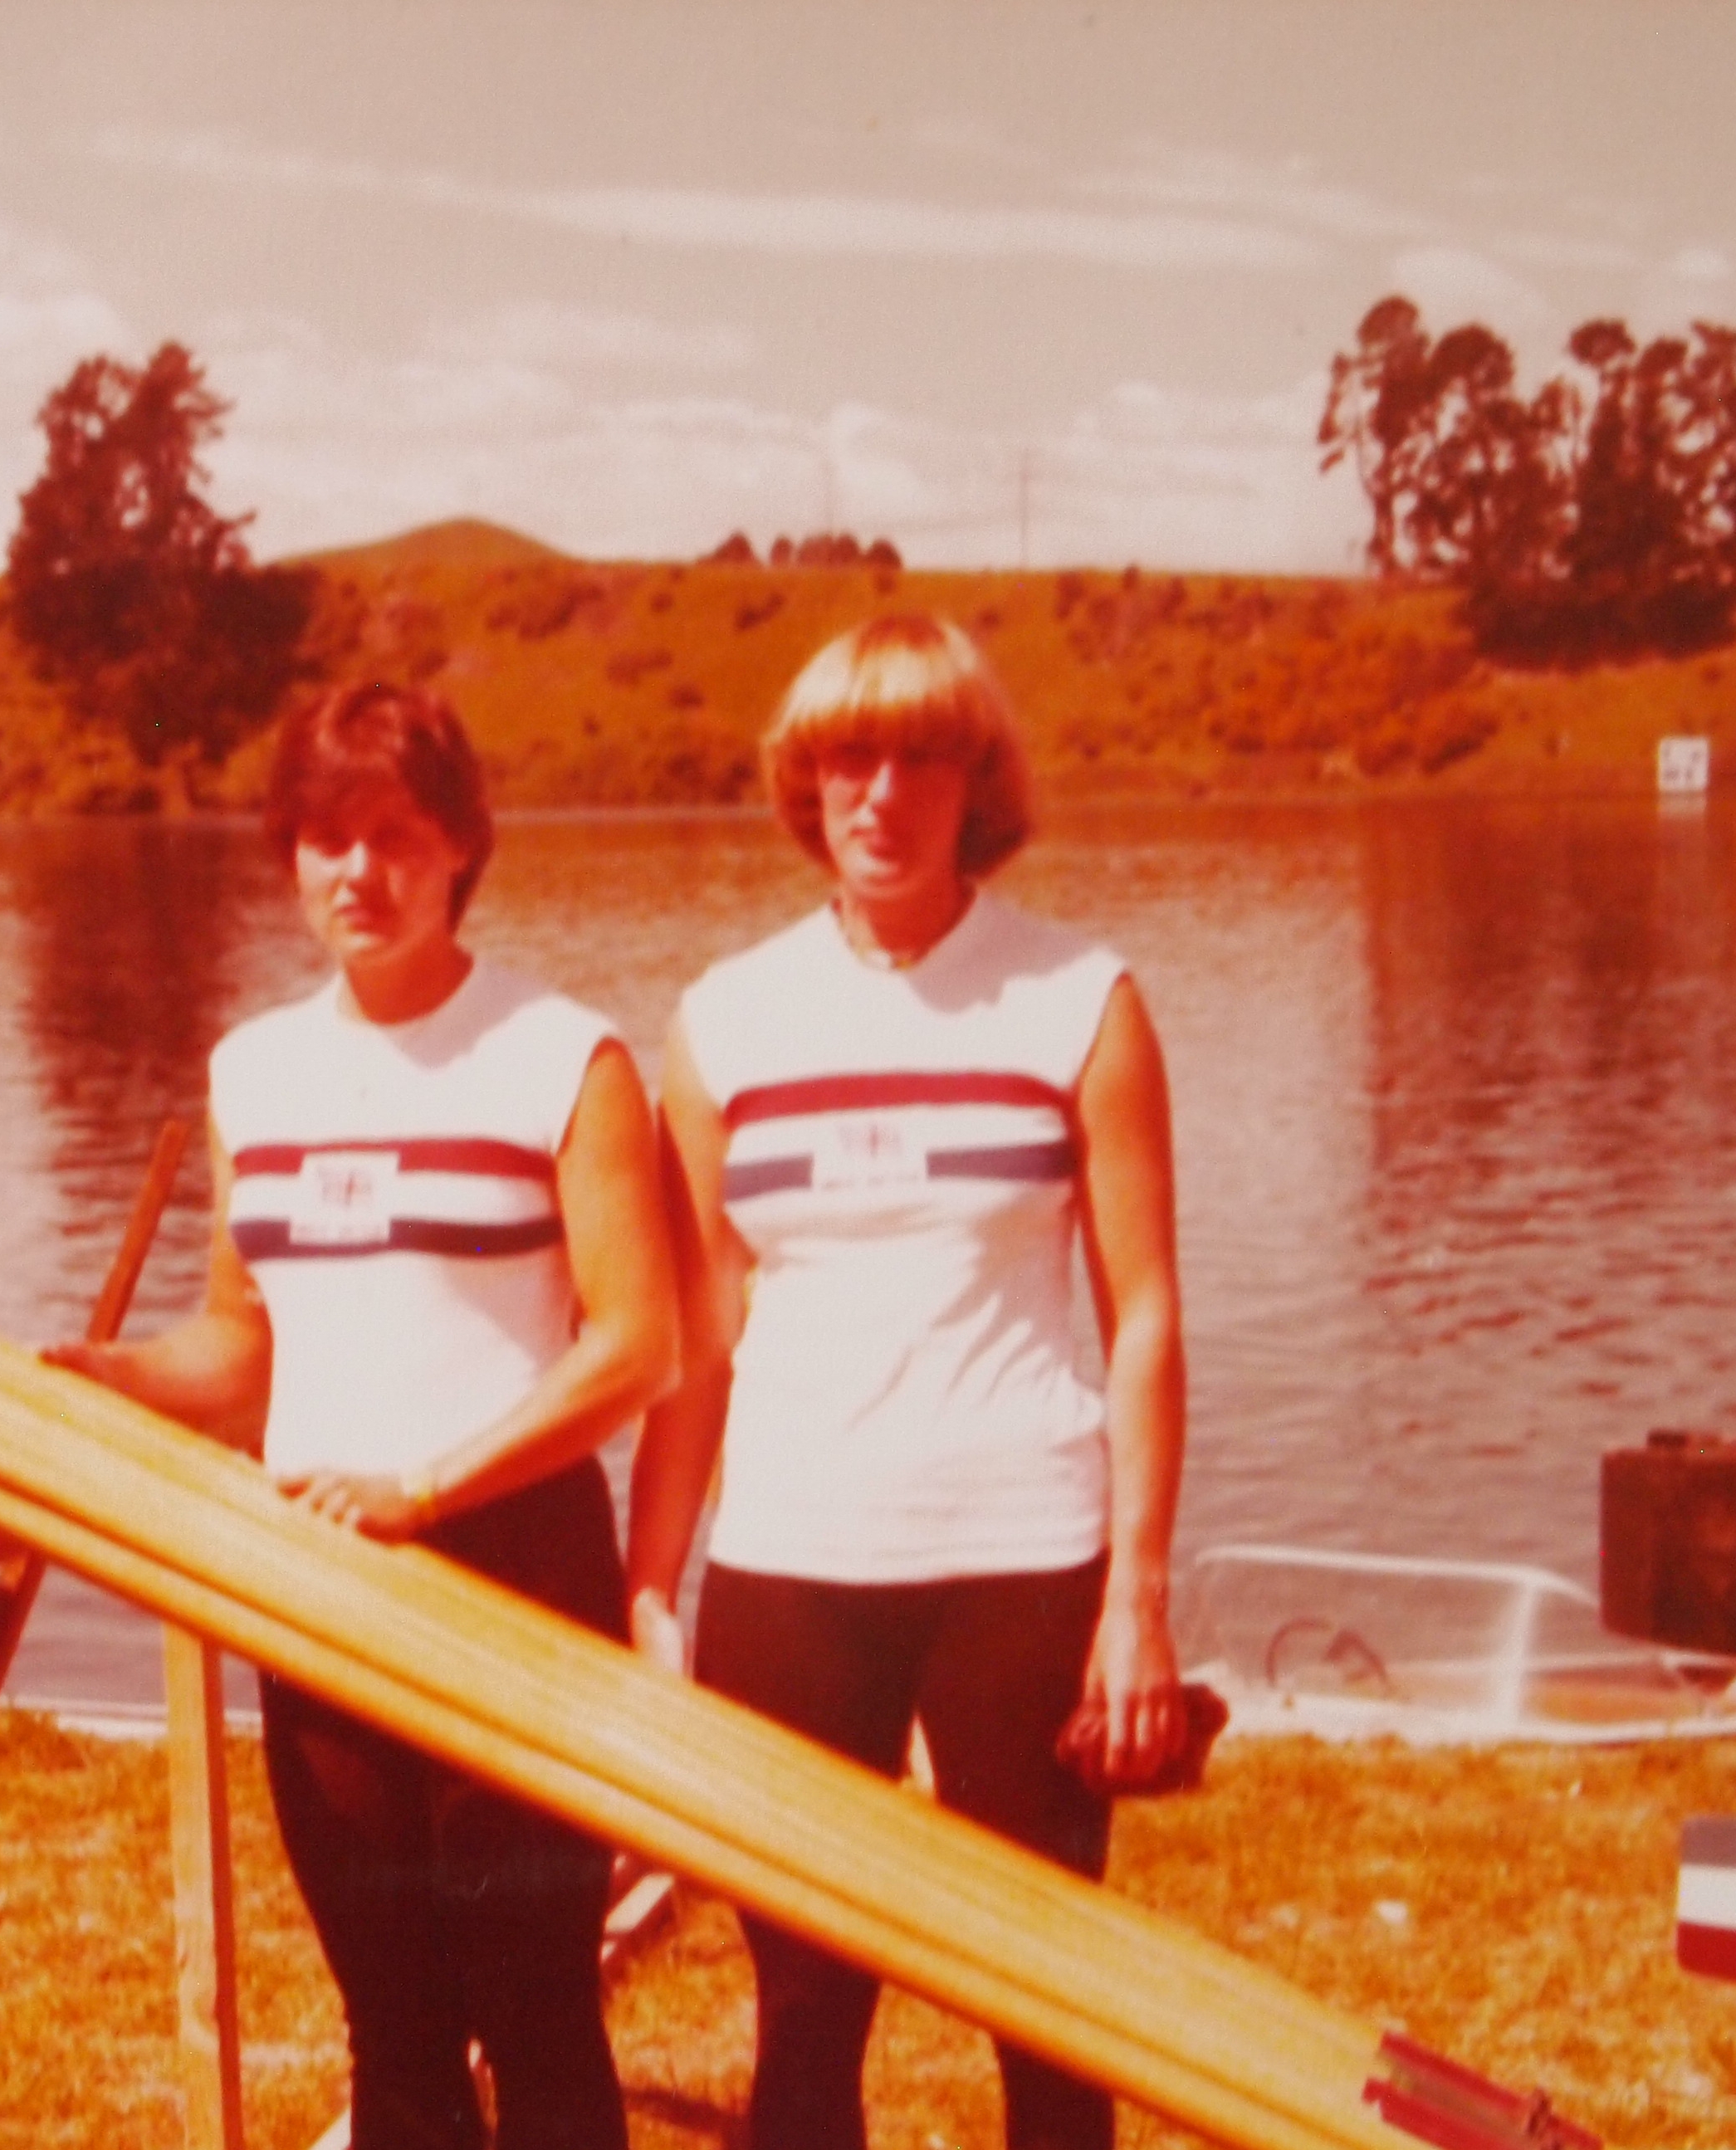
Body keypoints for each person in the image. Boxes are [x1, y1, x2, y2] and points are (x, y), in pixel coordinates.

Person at [48, 678, 678, 2150]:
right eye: (324, 837)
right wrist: (102, 1380)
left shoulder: (560, 1055)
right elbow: (238, 1349)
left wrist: (428, 1483)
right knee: (386, 2014)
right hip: (320, 1579)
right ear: (285, 853)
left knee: (531, 2003)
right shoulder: (252, 1072)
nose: (359, 873)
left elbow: (638, 1347)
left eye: (395, 835)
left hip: (517, 1572)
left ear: (461, 845)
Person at [625, 614, 1187, 2150]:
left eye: (916, 758)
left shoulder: (1079, 999)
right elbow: (698, 1336)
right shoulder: (723, 1019)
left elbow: (1141, 1317)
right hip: (793, 1567)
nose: (877, 794)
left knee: (1045, 2004)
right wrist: (651, 1583)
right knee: (805, 2007)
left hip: (1021, 1557)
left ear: (976, 780)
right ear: (801, 787)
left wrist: (1135, 1598)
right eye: (841, 760)